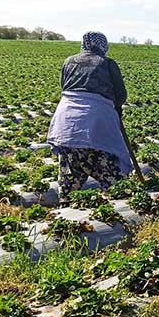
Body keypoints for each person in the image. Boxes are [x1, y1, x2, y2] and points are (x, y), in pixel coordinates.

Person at [47, 32, 131, 205]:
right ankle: (119, 210)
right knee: (110, 171)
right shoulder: (107, 64)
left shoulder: (69, 61)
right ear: (102, 46)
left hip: (66, 122)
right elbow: (121, 95)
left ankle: (66, 209)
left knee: (70, 174)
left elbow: (65, 87)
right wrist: (115, 108)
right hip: (96, 124)